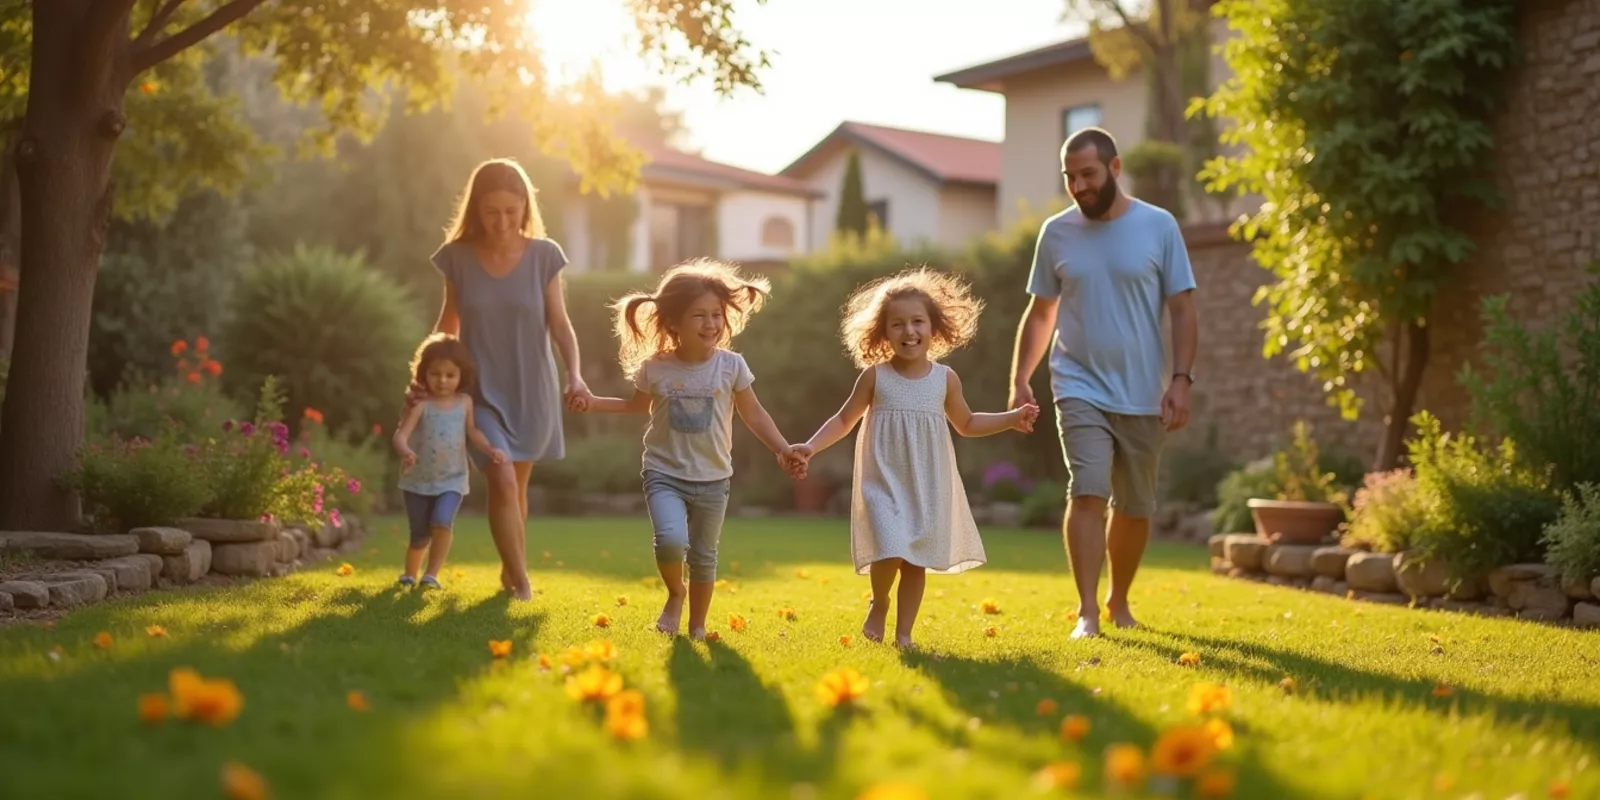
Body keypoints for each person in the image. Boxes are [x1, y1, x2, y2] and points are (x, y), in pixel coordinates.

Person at [1009, 127, 1200, 639]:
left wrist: (1181, 380)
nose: (1078, 185)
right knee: (1088, 491)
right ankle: (1087, 611)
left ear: (1115, 169)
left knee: (1135, 506)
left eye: (1088, 174)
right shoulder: (1056, 232)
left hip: (1143, 390)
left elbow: (1183, 310)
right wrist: (1021, 379)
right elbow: (1041, 311)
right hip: (1077, 384)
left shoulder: (1159, 226)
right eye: (1070, 177)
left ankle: (1119, 599)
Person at [790, 267, 1039, 648]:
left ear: (934, 328)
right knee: (890, 547)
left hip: (927, 485)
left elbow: (968, 422)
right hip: (884, 481)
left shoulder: (945, 379)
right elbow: (843, 419)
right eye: (898, 324)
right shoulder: (876, 377)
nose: (909, 332)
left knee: (916, 560)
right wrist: (810, 445)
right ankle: (880, 600)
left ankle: (904, 634)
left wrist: (1011, 418)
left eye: (918, 322)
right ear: (883, 332)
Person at [572, 258, 803, 640]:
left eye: (716, 314)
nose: (711, 323)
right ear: (674, 322)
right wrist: (592, 401)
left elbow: (755, 414)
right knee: (671, 540)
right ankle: (675, 594)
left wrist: (782, 449)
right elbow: (634, 407)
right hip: (664, 473)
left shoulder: (732, 367)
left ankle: (697, 626)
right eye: (699, 315)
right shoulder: (657, 368)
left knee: (704, 557)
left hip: (714, 479)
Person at [409, 158, 592, 602]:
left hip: (532, 387)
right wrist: (423, 377)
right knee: (502, 476)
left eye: (512, 211)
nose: (503, 222)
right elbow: (447, 325)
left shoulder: (544, 255)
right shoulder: (458, 258)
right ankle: (523, 582)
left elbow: (560, 324)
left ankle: (511, 572)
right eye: (493, 211)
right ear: (477, 209)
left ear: (525, 207)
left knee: (515, 487)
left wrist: (576, 375)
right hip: (478, 391)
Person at [392, 333, 509, 589]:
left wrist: (491, 450)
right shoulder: (421, 405)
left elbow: (472, 432)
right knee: (420, 535)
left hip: (452, 478)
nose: (442, 381)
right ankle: (410, 575)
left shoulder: (464, 403)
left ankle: (431, 575)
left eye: (450, 375)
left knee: (443, 521)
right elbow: (401, 435)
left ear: (461, 375)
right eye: (435, 374)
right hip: (418, 480)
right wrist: (406, 452)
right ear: (424, 373)